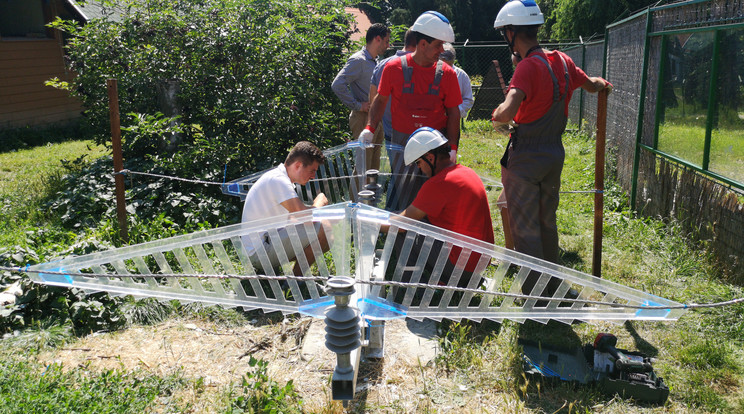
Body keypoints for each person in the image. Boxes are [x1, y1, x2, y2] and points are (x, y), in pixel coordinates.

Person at [490, 0, 612, 292]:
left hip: (526, 157)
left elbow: (507, 112)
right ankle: (554, 283)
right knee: (547, 222)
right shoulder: (563, 61)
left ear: (511, 32)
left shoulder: (527, 67)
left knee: (526, 228)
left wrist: (496, 117)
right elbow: (592, 84)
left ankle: (535, 292)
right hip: (553, 154)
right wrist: (603, 85)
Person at [360, 11, 462, 211]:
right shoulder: (393, 68)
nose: (442, 50)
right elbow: (380, 101)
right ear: (422, 44)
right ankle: (401, 232)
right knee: (403, 190)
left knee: (433, 195)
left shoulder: (447, 75)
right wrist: (370, 129)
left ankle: (430, 236)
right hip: (401, 145)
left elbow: (453, 114)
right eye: (438, 45)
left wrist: (453, 149)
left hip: (436, 149)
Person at [392, 127, 494, 287]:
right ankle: (446, 278)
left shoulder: (438, 184)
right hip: (479, 263)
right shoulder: (466, 172)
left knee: (405, 230)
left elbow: (400, 224)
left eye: (419, 163)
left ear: (430, 158)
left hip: (461, 267)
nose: (419, 168)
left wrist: (373, 222)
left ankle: (412, 284)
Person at [241, 141, 330, 276]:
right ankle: (295, 283)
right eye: (312, 170)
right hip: (259, 253)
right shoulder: (278, 181)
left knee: (325, 232)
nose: (313, 176)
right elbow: (306, 218)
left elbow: (295, 217)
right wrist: (319, 202)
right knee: (325, 228)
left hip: (263, 245)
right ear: (298, 165)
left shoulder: (278, 178)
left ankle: (294, 279)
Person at [331, 23, 390, 171]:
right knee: (363, 169)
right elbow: (337, 84)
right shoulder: (358, 60)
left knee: (373, 169)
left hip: (375, 119)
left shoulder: (375, 61)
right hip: (363, 118)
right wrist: (358, 105)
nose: (388, 46)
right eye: (387, 41)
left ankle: (371, 195)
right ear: (378, 39)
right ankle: (357, 195)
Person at [439, 43, 474, 120]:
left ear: (453, 61)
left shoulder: (462, 75)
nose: (446, 68)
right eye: (443, 64)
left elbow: (468, 100)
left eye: (449, 65)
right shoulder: (431, 73)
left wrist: (455, 111)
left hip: (453, 119)